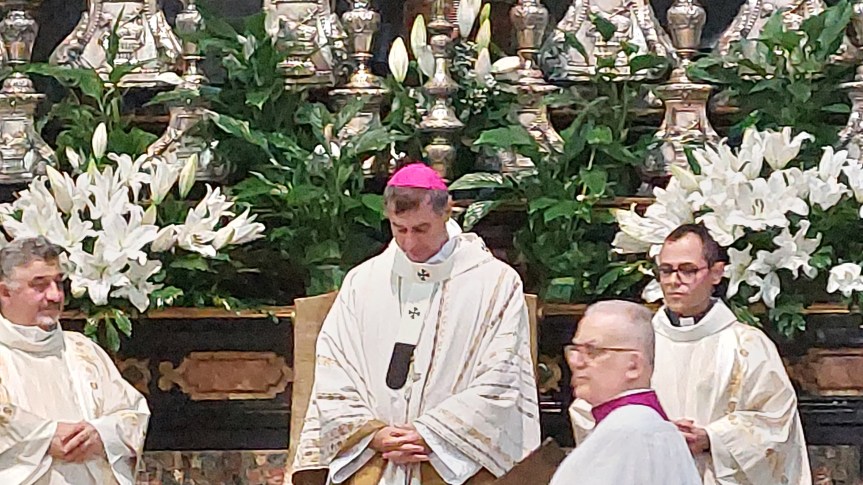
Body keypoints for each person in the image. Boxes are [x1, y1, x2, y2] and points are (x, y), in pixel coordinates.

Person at [291, 163, 540, 485]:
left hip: (456, 462)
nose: (409, 243)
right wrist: (373, 434)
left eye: (421, 229)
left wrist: (431, 433)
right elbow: (333, 368)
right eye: (399, 229)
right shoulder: (363, 281)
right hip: (373, 458)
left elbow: (503, 377)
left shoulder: (494, 282)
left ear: (447, 211)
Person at [651, 224, 811, 484]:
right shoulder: (640, 343)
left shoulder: (747, 345)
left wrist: (711, 438)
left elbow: (776, 421)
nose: (673, 281)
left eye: (688, 270)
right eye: (666, 270)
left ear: (716, 273)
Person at [0, 237, 150, 485]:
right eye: (40, 285)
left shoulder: (82, 350)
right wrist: (46, 437)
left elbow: (131, 412)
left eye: (58, 283)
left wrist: (101, 435)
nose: (55, 295)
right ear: (5, 292)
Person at [550, 300, 701, 485]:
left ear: (633, 366)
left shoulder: (628, 430)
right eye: (575, 350)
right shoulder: (644, 425)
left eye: (592, 351)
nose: (576, 362)